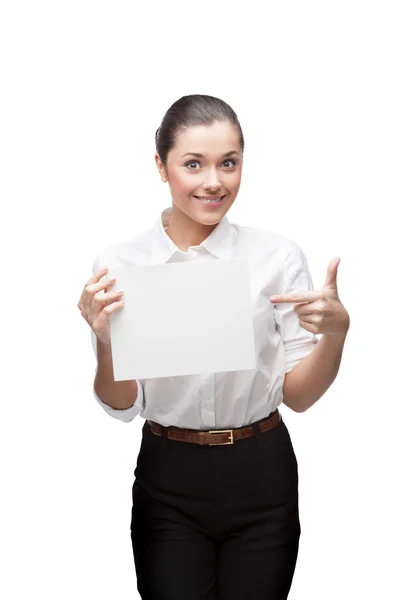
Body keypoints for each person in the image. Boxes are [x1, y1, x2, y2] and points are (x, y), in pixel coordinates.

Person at [77, 94, 350, 600]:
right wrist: (106, 344)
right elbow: (122, 406)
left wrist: (335, 334)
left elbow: (299, 395)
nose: (214, 182)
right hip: (169, 475)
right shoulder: (120, 263)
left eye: (229, 163)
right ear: (161, 166)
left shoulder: (275, 255)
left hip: (261, 471)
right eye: (193, 164)